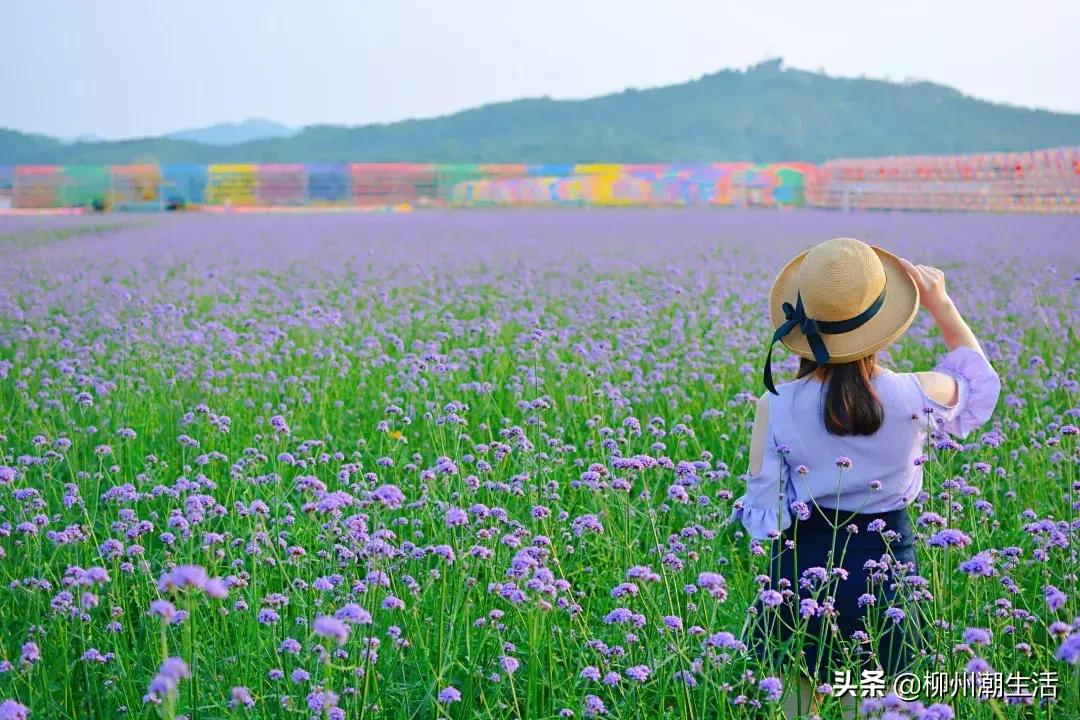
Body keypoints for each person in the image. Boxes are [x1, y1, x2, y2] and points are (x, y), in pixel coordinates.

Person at [729, 238, 1001, 718]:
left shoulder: (774, 406)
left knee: (794, 704)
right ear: (883, 328)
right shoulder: (919, 394)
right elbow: (978, 381)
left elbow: (763, 517)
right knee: (875, 704)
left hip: (798, 573)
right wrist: (942, 305)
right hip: (888, 574)